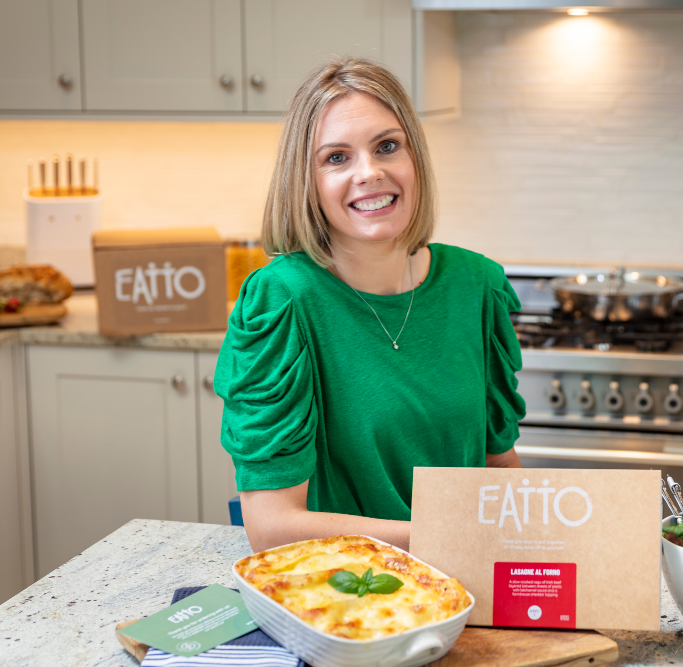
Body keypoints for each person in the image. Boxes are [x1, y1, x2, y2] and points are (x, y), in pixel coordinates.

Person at [214, 59, 525, 553]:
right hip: (349, 599)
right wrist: (451, 539)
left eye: (387, 146)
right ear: (307, 180)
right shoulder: (283, 302)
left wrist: (538, 546)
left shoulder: (475, 285)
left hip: (468, 590)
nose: (370, 173)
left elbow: (498, 468)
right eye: (336, 158)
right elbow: (271, 527)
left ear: (414, 157)